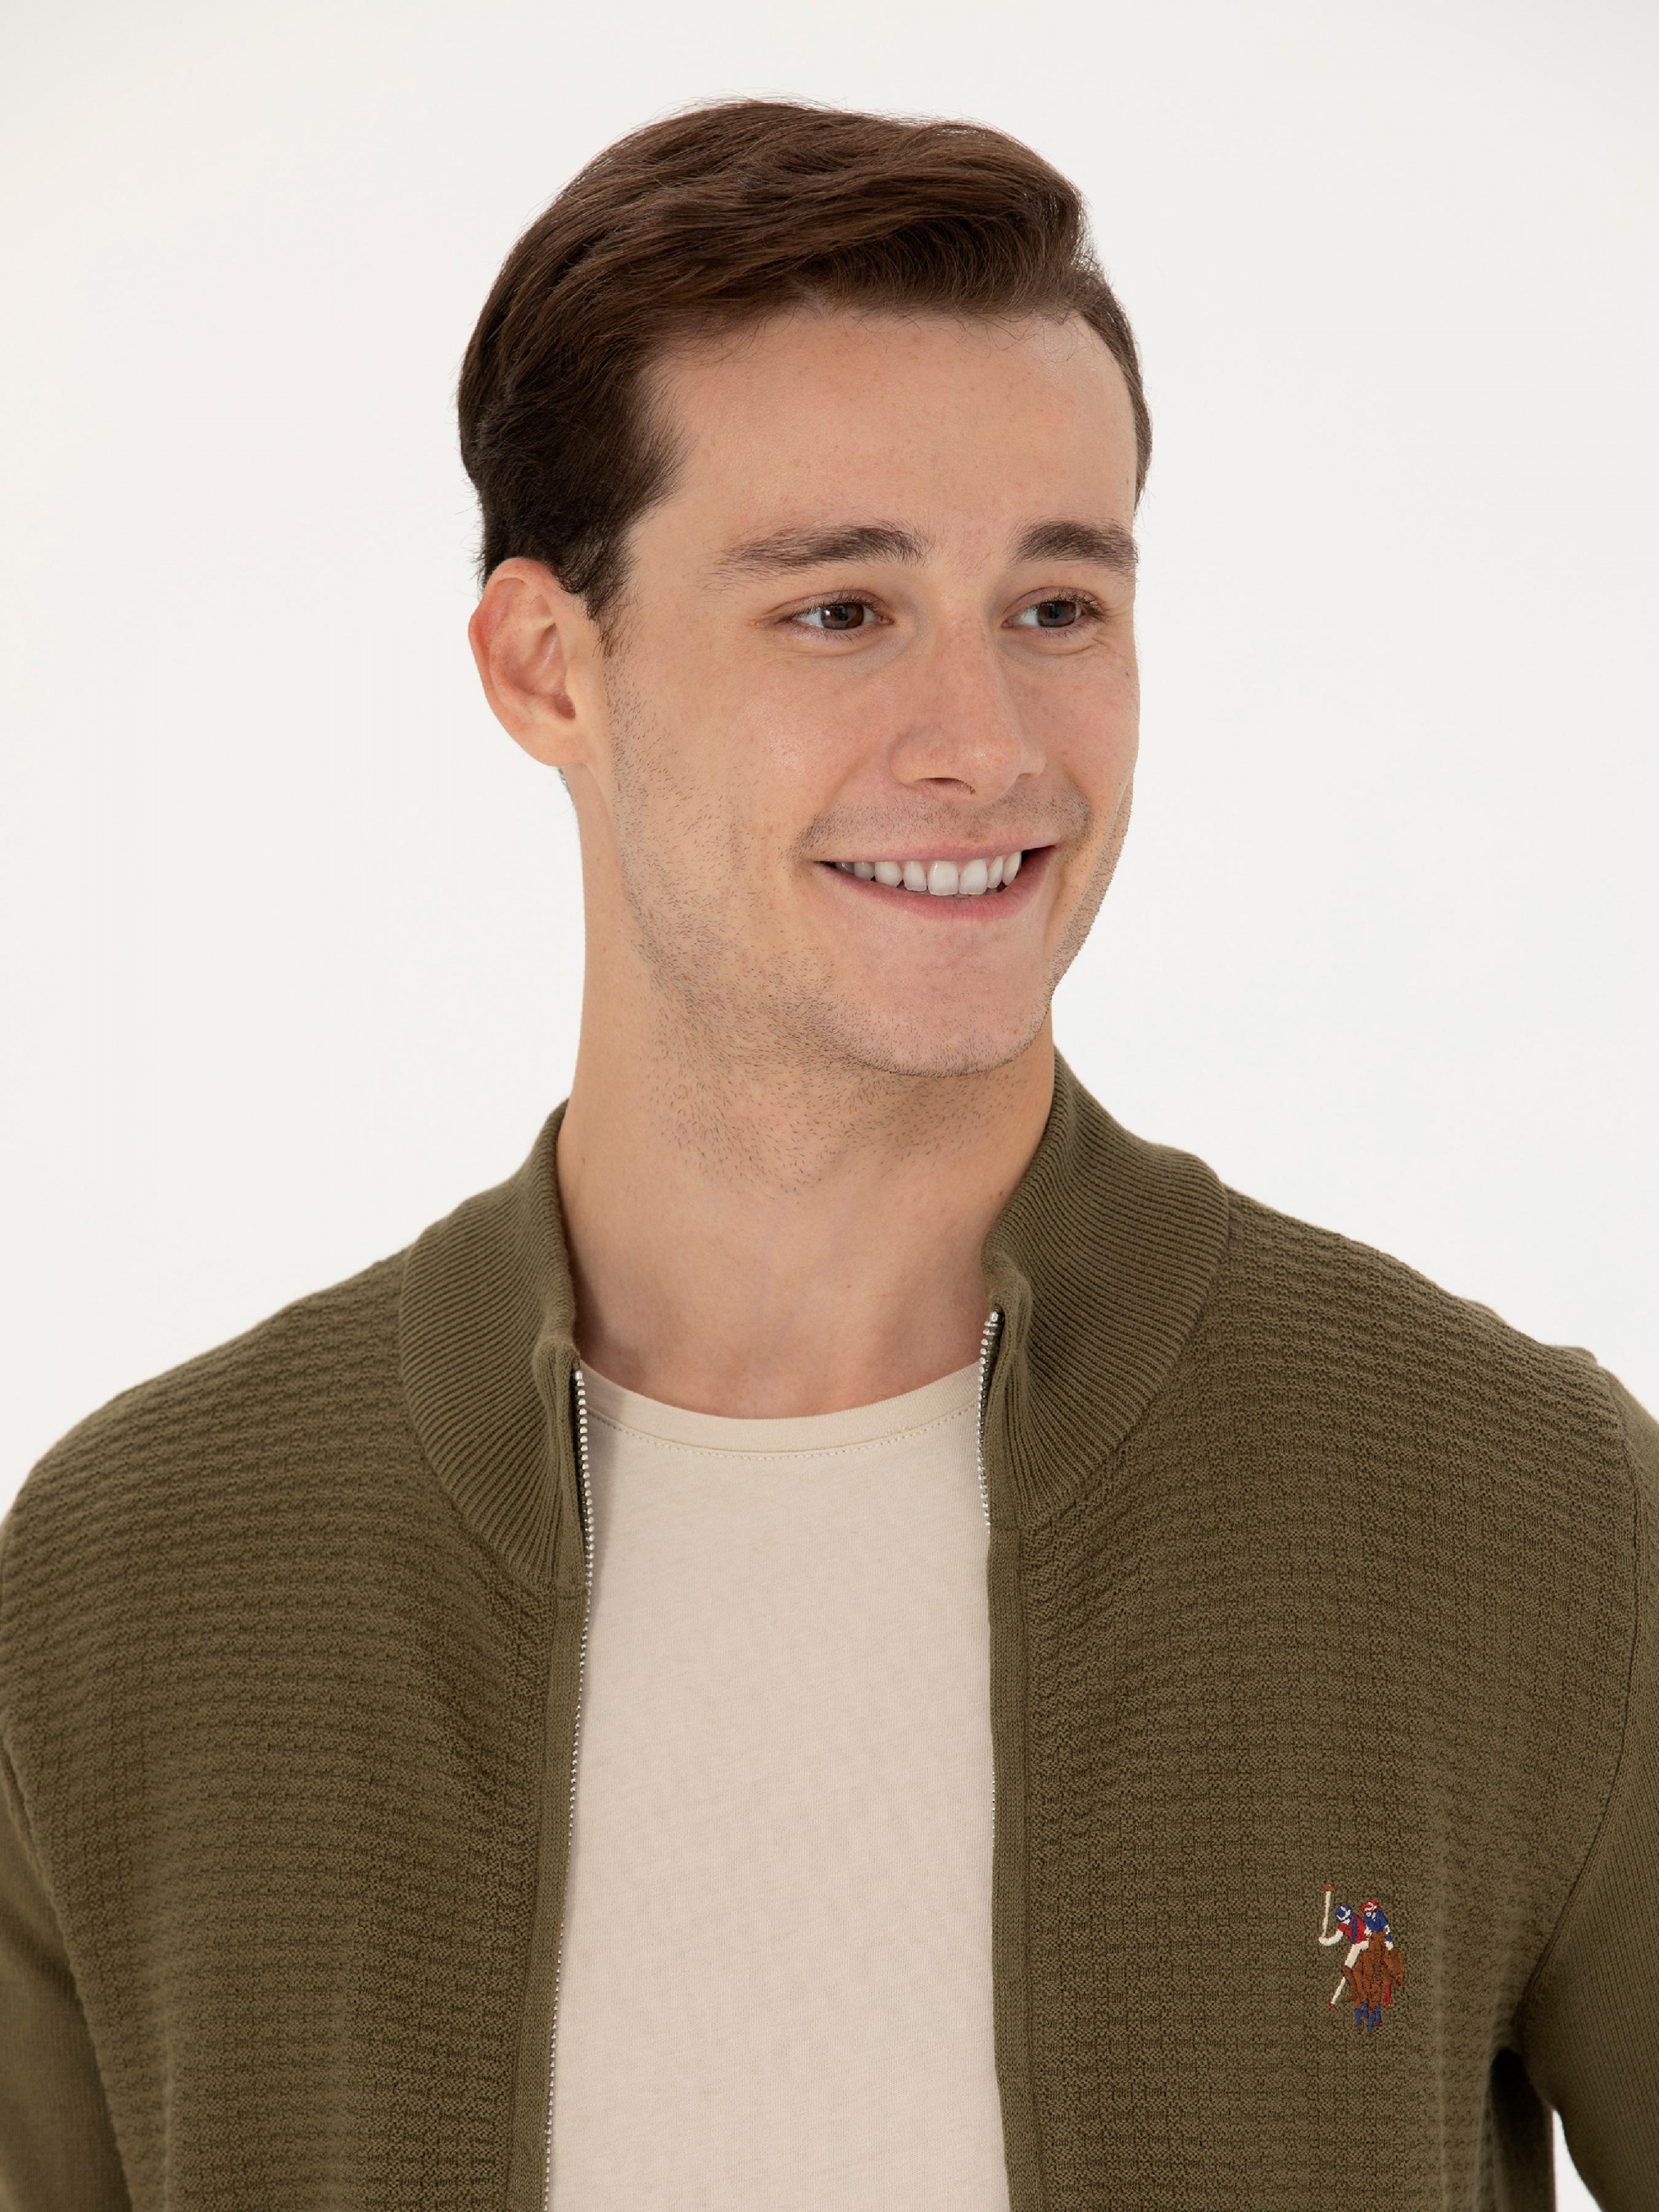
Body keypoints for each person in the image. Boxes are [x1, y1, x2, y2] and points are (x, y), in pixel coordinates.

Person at [2, 97, 1654, 2212]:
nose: (987, 744)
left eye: (1056, 605)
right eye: (841, 611)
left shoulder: (1516, 1515)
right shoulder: (135, 1586)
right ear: (546, 665)